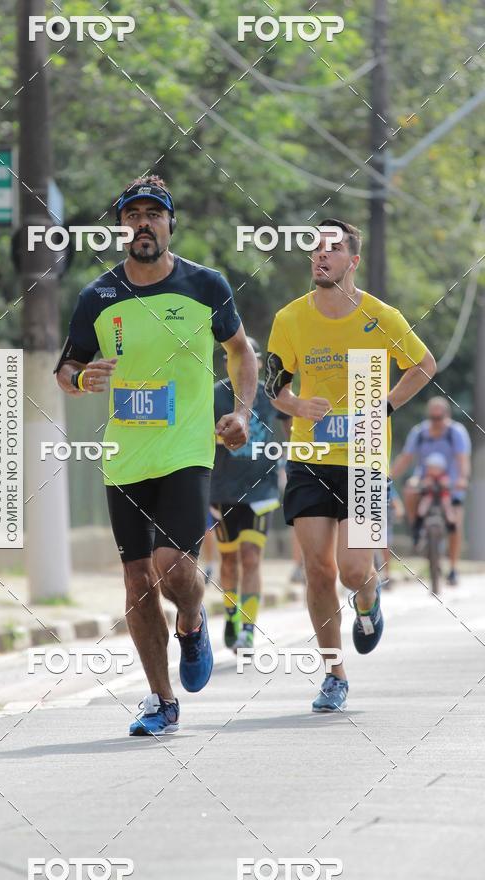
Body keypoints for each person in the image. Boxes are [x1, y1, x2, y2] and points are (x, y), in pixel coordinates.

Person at [55, 175, 258, 736]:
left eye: (154, 214)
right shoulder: (97, 296)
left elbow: (242, 352)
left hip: (188, 450)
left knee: (173, 571)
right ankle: (161, 699)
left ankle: (192, 621)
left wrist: (241, 413)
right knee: (137, 582)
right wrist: (80, 378)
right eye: (133, 215)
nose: (143, 224)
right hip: (124, 457)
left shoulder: (206, 286)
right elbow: (66, 368)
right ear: (121, 227)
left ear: (171, 224)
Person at [265, 219, 436, 712]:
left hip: (364, 459)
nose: (321, 255)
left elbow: (424, 365)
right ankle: (333, 672)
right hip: (310, 457)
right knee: (318, 570)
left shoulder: (381, 316)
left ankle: (368, 600)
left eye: (332, 249)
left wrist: (386, 404)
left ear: (352, 261)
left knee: (353, 567)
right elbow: (275, 387)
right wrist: (297, 407)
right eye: (315, 249)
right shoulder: (290, 318)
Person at [210, 337, 290, 650]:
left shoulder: (270, 395)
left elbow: (290, 424)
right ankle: (230, 614)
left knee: (251, 558)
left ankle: (248, 628)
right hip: (223, 489)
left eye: (252, 358)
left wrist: (295, 457)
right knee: (228, 561)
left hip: (262, 488)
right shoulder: (215, 395)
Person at [391, 396, 471, 585]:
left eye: (439, 417)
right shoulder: (419, 432)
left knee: (456, 523)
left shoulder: (456, 433)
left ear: (447, 416)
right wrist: (388, 476)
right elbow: (405, 458)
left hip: (449, 483)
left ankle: (453, 568)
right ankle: (416, 527)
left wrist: (462, 479)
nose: (436, 422)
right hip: (425, 479)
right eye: (432, 418)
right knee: (410, 489)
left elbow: (463, 460)